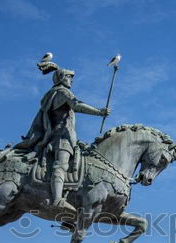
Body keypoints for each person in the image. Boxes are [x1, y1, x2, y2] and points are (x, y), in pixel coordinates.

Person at [17, 65, 110, 213]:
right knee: (60, 165)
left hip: (67, 137)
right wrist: (99, 112)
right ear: (61, 78)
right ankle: (57, 200)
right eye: (69, 77)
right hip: (61, 138)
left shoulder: (54, 94)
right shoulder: (61, 92)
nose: (71, 81)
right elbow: (77, 105)